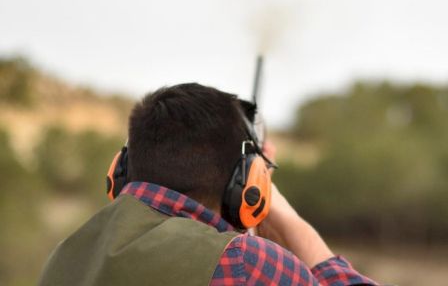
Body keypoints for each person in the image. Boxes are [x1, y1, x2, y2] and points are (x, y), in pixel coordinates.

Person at [39, 83, 378, 286]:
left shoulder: (66, 255)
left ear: (120, 171)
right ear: (248, 186)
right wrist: (283, 217)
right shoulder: (246, 262)